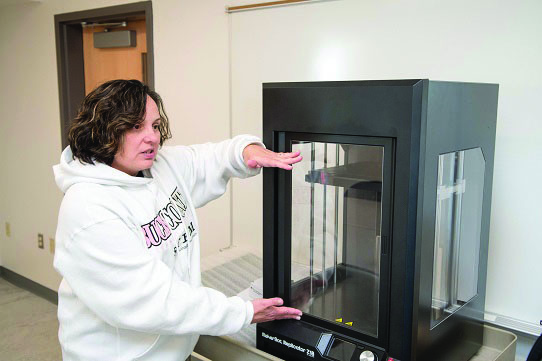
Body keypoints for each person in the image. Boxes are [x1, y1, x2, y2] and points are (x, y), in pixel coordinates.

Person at [53, 79, 303, 361]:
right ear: (103, 131)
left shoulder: (158, 166)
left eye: (155, 126)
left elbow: (209, 158)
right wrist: (243, 312)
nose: (153, 138)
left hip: (172, 350)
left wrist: (248, 152)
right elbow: (153, 301)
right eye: (136, 126)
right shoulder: (89, 210)